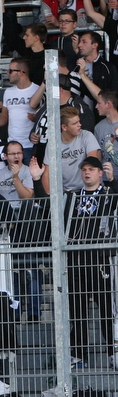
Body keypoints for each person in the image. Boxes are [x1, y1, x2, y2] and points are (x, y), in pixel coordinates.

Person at [65, 156, 118, 368]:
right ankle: (78, 356)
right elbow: (54, 210)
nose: (87, 173)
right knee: (77, 312)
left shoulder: (107, 193)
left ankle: (113, 352)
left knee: (107, 309)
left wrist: (113, 180)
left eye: (91, 169)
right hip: (76, 258)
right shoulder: (74, 196)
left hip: (100, 259)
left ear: (99, 172)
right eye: (84, 169)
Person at [0, 59, 39, 163]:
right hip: (12, 146)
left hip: (30, 144)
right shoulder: (8, 92)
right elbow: (4, 116)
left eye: (11, 71)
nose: (8, 73)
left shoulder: (37, 90)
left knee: (30, 177)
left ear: (21, 73)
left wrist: (36, 118)